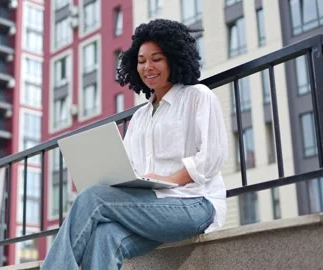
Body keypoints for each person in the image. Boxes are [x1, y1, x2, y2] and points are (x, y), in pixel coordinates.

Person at [41, 19, 228, 270]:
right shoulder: (140, 117)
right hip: (151, 206)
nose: (148, 67)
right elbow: (129, 166)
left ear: (174, 58)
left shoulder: (198, 97)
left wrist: (167, 178)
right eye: (141, 61)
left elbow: (211, 159)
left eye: (156, 59)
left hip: (196, 203)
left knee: (92, 199)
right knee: (105, 237)